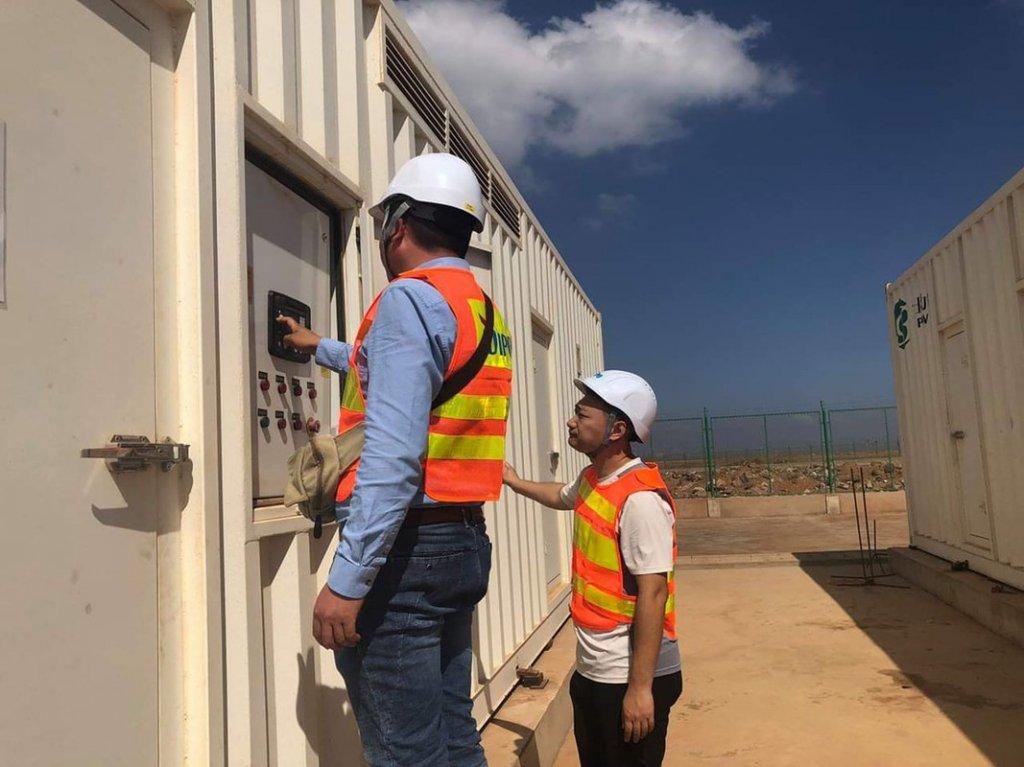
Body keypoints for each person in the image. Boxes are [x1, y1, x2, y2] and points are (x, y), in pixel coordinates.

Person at [278, 153, 513, 766]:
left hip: (405, 555)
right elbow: (409, 370)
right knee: (453, 737)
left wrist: (350, 580)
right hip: (460, 542)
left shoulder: (410, 299)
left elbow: (394, 456)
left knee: (406, 755)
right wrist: (320, 347)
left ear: (398, 226)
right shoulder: (478, 308)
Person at [502, 370, 681, 767]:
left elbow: (653, 592)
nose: (571, 421)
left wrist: (640, 688)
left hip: (630, 673)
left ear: (616, 430)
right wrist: (514, 482)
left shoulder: (639, 501)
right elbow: (559, 494)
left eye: (582, 415)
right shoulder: (593, 480)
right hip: (595, 670)